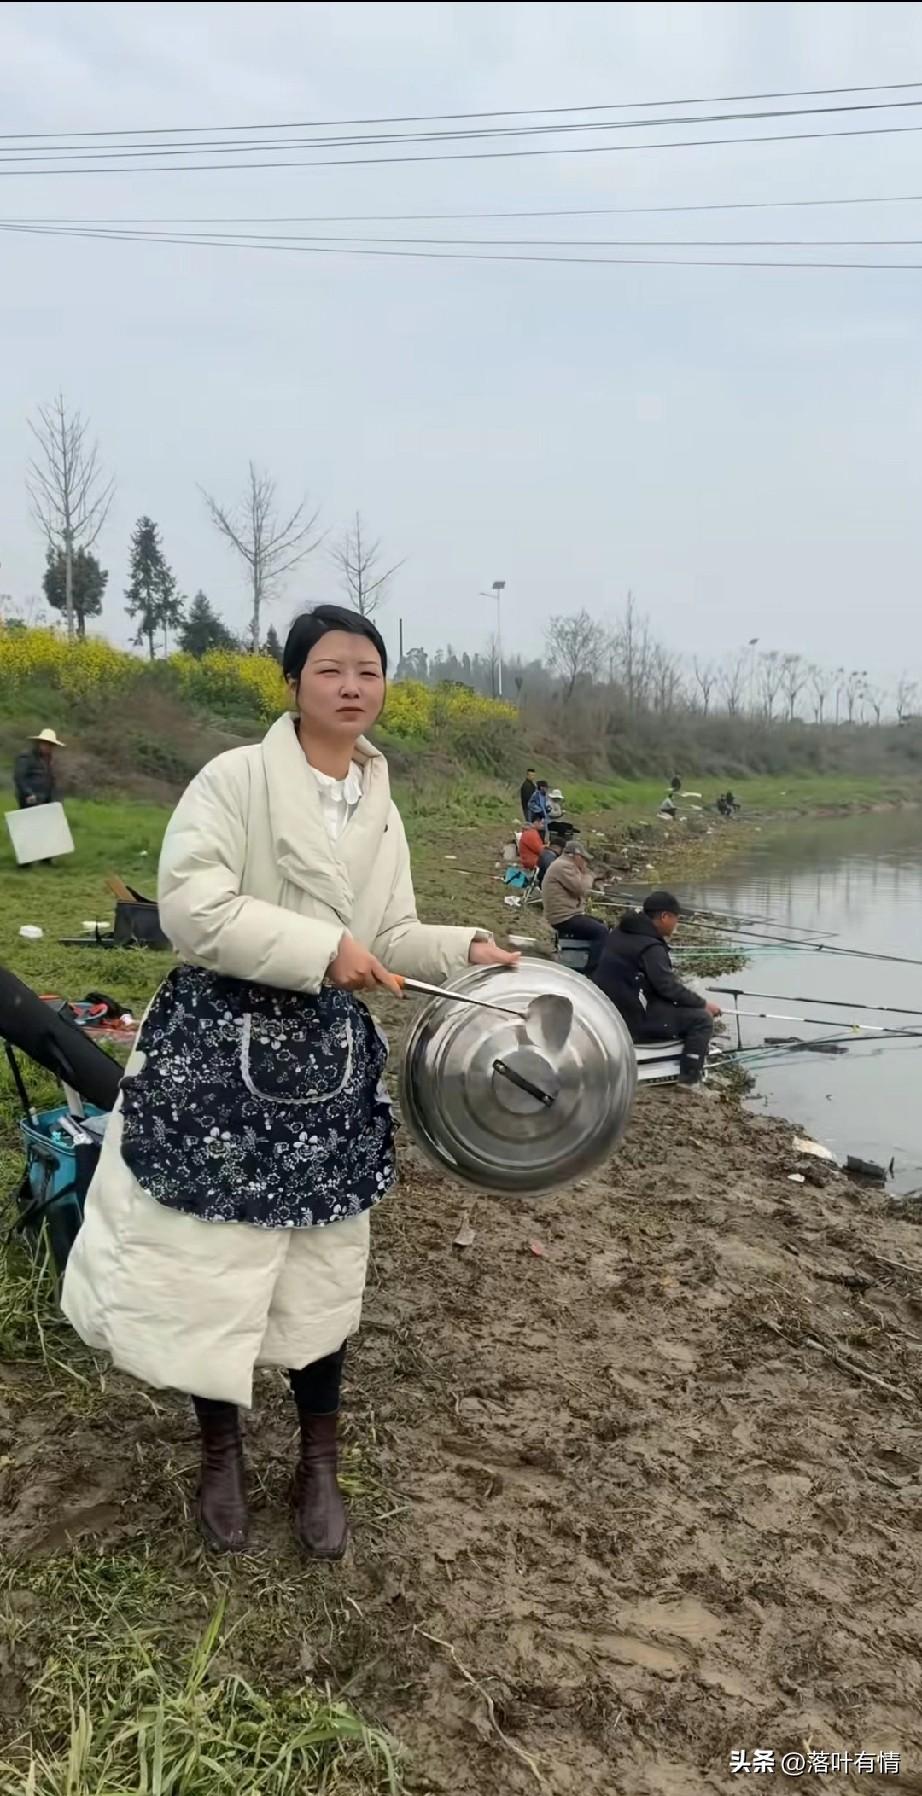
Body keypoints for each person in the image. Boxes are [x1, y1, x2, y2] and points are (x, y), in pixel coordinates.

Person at [62, 604, 517, 1559]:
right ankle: (219, 1450)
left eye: (368, 671)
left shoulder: (376, 800)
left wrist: (464, 945)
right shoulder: (233, 780)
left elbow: (387, 934)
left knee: (320, 1260)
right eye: (330, 670)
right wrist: (320, 948)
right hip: (220, 1044)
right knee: (214, 1251)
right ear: (293, 684)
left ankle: (318, 1458)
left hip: (324, 1060)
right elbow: (192, 908)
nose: (352, 687)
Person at [592, 890, 721, 1086]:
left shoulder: (620, 932)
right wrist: (703, 1004)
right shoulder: (651, 947)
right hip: (630, 1020)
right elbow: (667, 988)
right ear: (664, 916)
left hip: (607, 1011)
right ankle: (689, 1079)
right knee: (702, 1020)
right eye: (676, 919)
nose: (676, 925)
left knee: (686, 1007)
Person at [541, 840, 608, 973]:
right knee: (601, 932)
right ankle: (592, 971)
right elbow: (581, 888)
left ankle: (584, 960)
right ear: (576, 855)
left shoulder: (564, 865)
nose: (584, 862)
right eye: (583, 859)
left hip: (566, 914)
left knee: (601, 924)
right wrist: (590, 875)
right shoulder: (564, 866)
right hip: (563, 917)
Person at [14, 728, 64, 808]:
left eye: (50, 745)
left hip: (45, 799)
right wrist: (28, 793)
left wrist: (56, 798)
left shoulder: (48, 759)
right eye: (45, 744)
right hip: (30, 799)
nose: (48, 747)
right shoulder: (26, 757)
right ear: (39, 743)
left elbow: (51, 779)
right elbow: (19, 778)